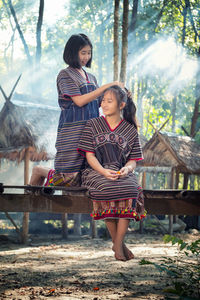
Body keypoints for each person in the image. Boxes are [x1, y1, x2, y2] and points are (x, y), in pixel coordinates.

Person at [77, 85, 146, 261]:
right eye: (103, 101)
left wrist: (127, 169)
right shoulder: (92, 124)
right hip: (94, 171)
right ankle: (119, 245)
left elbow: (133, 160)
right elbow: (89, 156)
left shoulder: (130, 130)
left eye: (109, 101)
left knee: (131, 189)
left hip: (121, 173)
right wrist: (103, 171)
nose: (104, 104)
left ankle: (117, 242)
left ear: (121, 105)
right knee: (107, 188)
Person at [51, 33, 124, 187]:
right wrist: (106, 86)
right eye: (82, 53)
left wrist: (118, 94)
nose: (86, 57)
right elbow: (79, 101)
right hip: (72, 133)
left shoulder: (91, 77)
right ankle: (41, 172)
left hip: (91, 131)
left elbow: (98, 102)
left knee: (86, 176)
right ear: (72, 52)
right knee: (68, 178)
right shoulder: (65, 75)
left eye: (89, 53)